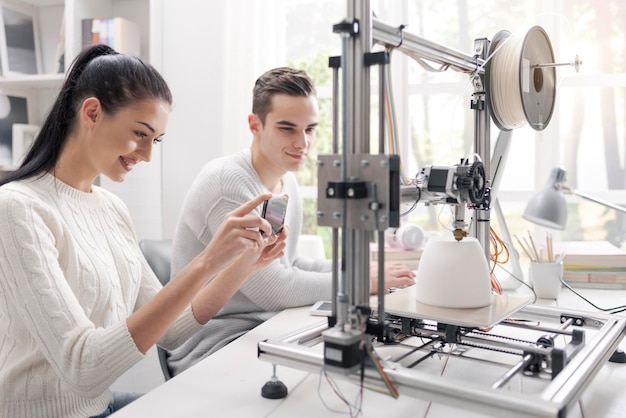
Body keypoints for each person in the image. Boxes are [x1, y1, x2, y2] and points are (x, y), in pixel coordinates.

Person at [0, 45, 287, 418]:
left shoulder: (111, 208)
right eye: (140, 133)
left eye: (156, 140)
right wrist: (207, 260)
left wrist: (240, 267)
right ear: (91, 112)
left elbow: (173, 330)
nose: (147, 154)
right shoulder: (18, 207)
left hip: (96, 407)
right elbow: (83, 369)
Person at [167, 67, 415, 376]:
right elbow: (277, 289)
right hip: (214, 343)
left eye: (310, 129)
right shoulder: (228, 184)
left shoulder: (286, 182)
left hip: (265, 326)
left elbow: (291, 263)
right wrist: (361, 281)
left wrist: (363, 269)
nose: (303, 143)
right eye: (287, 129)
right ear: (254, 125)